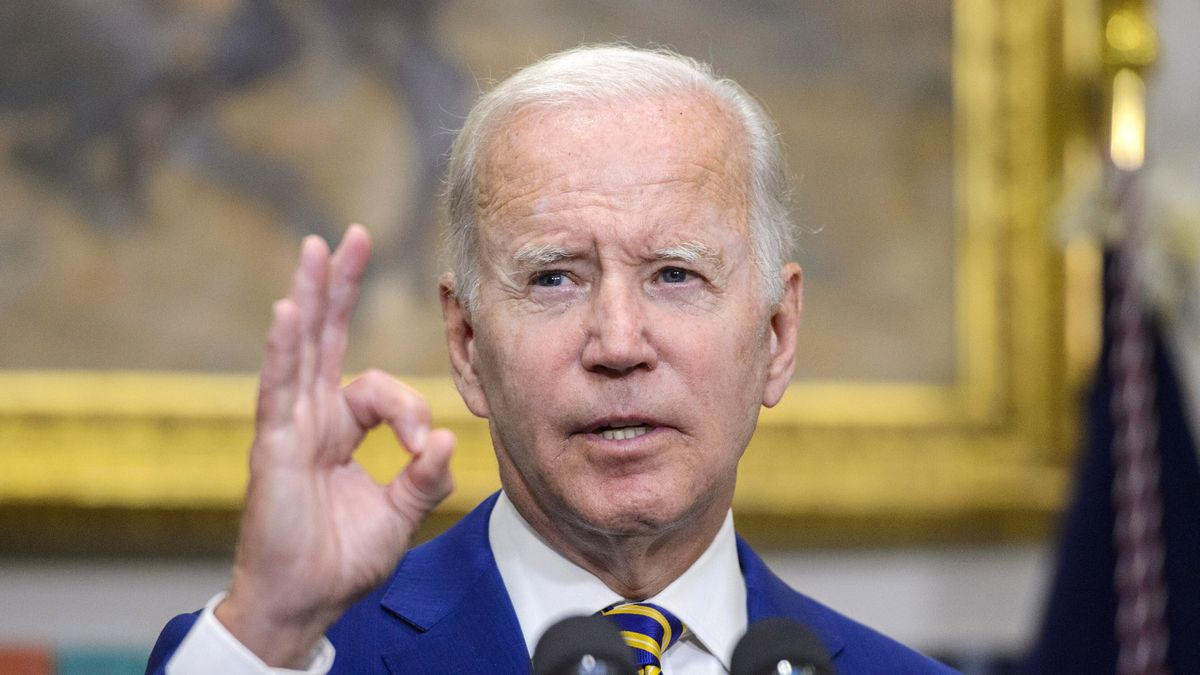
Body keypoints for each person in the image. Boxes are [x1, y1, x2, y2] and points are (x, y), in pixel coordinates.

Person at [147, 45, 957, 674]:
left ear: (776, 336)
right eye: (554, 277)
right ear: (466, 346)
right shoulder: (289, 653)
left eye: (674, 274)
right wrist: (273, 626)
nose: (617, 344)